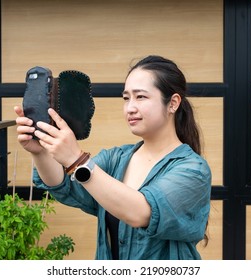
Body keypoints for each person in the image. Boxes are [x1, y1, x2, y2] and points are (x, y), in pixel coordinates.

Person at [14, 55, 211, 260]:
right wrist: (40, 151)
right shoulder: (116, 158)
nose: (130, 108)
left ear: (173, 103)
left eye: (140, 97)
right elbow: (65, 184)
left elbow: (141, 212)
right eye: (126, 98)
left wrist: (77, 160)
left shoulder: (193, 170)